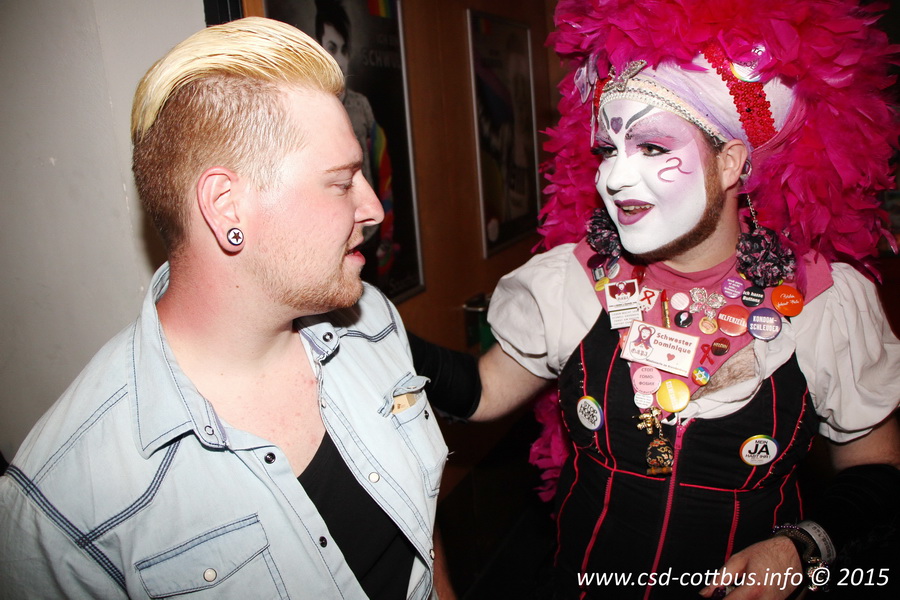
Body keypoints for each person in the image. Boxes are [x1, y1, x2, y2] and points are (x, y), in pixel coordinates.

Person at [415, 0, 900, 598]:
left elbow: (876, 467)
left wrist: (802, 546)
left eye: (651, 147)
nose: (615, 178)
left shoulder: (823, 301)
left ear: (731, 163)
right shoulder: (573, 280)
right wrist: (364, 325)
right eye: (607, 150)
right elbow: (482, 391)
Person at [0, 17, 446, 599]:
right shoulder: (64, 502)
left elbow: (421, 537)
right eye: (341, 183)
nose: (373, 209)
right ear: (226, 207)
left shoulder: (372, 322)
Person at [314, 0, 398, 287]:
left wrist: (386, 231)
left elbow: (383, 170)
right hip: (332, 243)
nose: (338, 59)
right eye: (331, 48)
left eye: (343, 50)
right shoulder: (305, 113)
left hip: (368, 237)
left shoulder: (361, 106)